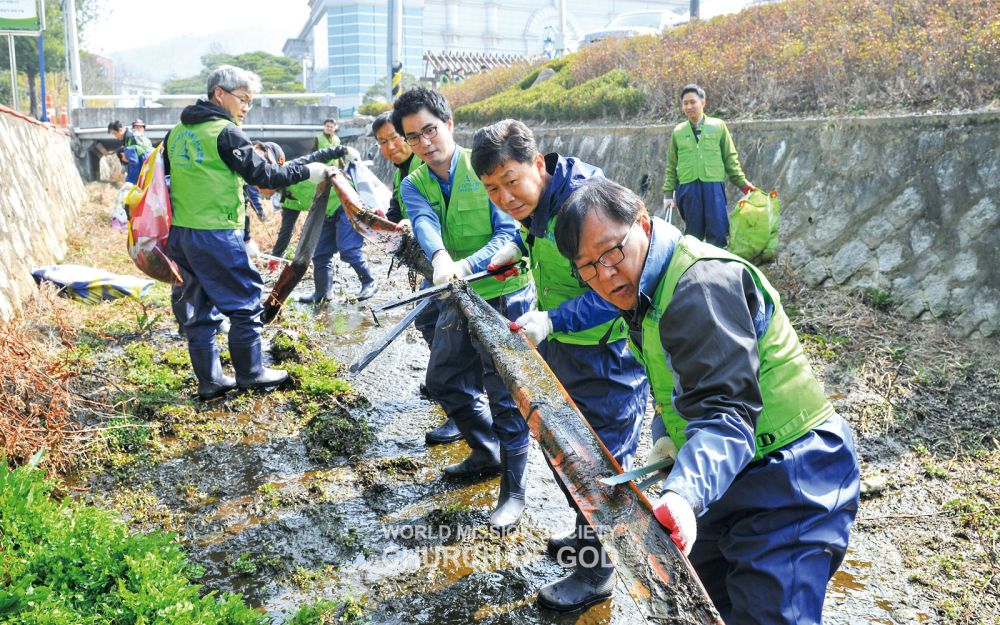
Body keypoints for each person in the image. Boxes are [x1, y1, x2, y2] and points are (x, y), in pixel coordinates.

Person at [553, 178, 861, 625]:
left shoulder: (699, 284)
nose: (605, 274)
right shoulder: (643, 291)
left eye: (612, 252)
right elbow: (675, 387)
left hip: (793, 473)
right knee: (697, 601)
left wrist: (684, 491)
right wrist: (666, 439)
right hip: (730, 472)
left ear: (642, 222)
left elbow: (726, 411)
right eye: (587, 267)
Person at [471, 119, 650, 611]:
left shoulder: (585, 205)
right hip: (566, 350)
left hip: (608, 358)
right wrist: (520, 247)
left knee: (601, 468)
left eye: (511, 181)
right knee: (570, 454)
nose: (505, 198)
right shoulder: (539, 204)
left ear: (539, 165)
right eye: (492, 189)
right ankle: (586, 542)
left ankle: (596, 575)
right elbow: (538, 237)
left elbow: (621, 290)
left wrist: (552, 320)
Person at [392, 87, 534, 525]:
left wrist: (462, 264)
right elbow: (423, 222)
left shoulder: (485, 166)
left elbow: (507, 232)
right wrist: (439, 259)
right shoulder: (414, 181)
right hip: (456, 291)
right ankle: (486, 450)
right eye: (413, 137)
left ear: (449, 125)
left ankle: (515, 492)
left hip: (504, 294)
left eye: (430, 130)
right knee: (444, 378)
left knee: (506, 395)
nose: (425, 142)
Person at [162, 64, 330, 401]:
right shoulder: (225, 133)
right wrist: (307, 171)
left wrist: (248, 236)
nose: (245, 107)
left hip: (181, 234)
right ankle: (251, 373)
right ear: (219, 94)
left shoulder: (176, 132)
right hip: (217, 233)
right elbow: (265, 176)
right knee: (245, 303)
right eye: (243, 99)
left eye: (250, 102)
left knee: (197, 308)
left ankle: (210, 381)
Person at [371, 111, 448, 424]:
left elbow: (430, 215)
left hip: (444, 261)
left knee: (438, 325)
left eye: (395, 138)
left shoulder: (424, 167)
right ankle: (442, 383)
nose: (390, 147)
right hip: (430, 263)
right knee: (430, 322)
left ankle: (450, 390)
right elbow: (394, 209)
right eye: (382, 142)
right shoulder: (402, 171)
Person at [661, 83, 755, 247]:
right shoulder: (678, 132)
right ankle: (694, 269)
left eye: (693, 102)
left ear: (703, 103)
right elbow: (671, 166)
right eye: (685, 103)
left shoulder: (718, 126)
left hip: (713, 187)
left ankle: (720, 266)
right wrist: (668, 195)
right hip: (688, 189)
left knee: (718, 232)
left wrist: (742, 183)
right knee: (693, 237)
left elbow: (730, 157)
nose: (689, 106)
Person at [107, 119, 144, 184]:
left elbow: (135, 163)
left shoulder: (131, 138)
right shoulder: (126, 139)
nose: (116, 137)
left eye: (115, 134)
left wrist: (131, 182)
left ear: (120, 130)